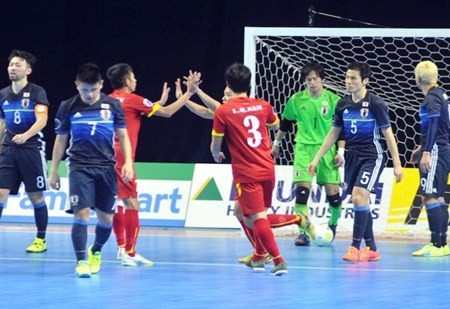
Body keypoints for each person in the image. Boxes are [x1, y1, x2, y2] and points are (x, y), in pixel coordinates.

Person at [210, 63, 315, 276]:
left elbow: (215, 146)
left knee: (257, 219)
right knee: (240, 211)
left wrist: (215, 154)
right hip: (267, 168)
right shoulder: (263, 105)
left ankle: (279, 259)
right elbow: (277, 126)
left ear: (228, 84)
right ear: (249, 84)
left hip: (247, 173)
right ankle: (258, 256)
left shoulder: (223, 111)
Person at [106, 63, 201, 266]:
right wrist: (188, 94)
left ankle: (121, 247)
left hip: (104, 156)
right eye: (133, 77)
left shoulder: (107, 100)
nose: (136, 80)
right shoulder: (133, 99)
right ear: (126, 81)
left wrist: (156, 102)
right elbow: (166, 113)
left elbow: (135, 111)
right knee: (131, 203)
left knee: (116, 202)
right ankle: (130, 253)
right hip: (123, 157)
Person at [308, 61, 403, 262]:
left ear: (365, 81)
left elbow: (389, 134)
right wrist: (316, 159)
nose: (348, 81)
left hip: (372, 156)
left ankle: (354, 247)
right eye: (347, 77)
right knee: (360, 201)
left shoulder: (376, 103)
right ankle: (372, 248)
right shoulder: (343, 104)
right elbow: (333, 134)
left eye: (353, 78)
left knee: (359, 197)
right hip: (351, 157)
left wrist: (397, 164)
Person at [48, 63, 135, 278]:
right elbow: (61, 140)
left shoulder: (113, 105)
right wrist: (53, 170)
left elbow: (123, 136)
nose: (89, 94)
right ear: (77, 86)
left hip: (106, 167)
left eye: (94, 89)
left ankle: (95, 250)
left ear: (101, 85)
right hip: (79, 167)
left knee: (106, 220)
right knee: (82, 213)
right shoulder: (67, 106)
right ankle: (81, 262)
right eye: (85, 89)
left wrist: (128, 163)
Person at [272, 61, 345, 246]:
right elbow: (286, 124)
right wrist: (276, 143)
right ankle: (304, 232)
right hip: (303, 149)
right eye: (308, 79)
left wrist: (341, 151)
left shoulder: (334, 100)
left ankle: (333, 224)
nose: (312, 82)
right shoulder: (296, 100)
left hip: (327, 150)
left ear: (322, 79)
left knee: (334, 196)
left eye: (315, 79)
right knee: (302, 192)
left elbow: (341, 130)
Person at [0, 50, 50, 253]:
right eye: (11, 64)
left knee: (35, 196)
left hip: (31, 149)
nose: (13, 67)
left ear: (28, 70)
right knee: (0, 194)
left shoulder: (37, 92)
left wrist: (26, 135)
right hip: (9, 150)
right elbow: (2, 122)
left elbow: (42, 119)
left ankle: (40, 239)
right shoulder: (3, 94)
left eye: (18, 64)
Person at [410, 60, 450, 257]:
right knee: (439, 196)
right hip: (441, 149)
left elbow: (434, 125)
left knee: (429, 196)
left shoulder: (431, 99)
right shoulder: (441, 95)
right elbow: (442, 126)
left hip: (435, 151)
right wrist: (421, 147)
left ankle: (436, 244)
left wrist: (426, 151)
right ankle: (442, 243)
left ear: (417, 79)